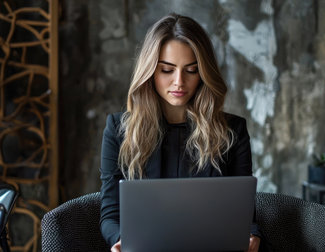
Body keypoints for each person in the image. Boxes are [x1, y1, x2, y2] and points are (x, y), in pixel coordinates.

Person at [100, 13, 262, 252]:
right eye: (167, 69)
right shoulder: (118, 130)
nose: (179, 82)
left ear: (204, 73)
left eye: (191, 70)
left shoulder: (233, 131)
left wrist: (251, 235)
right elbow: (110, 213)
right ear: (150, 71)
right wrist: (121, 240)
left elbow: (244, 213)